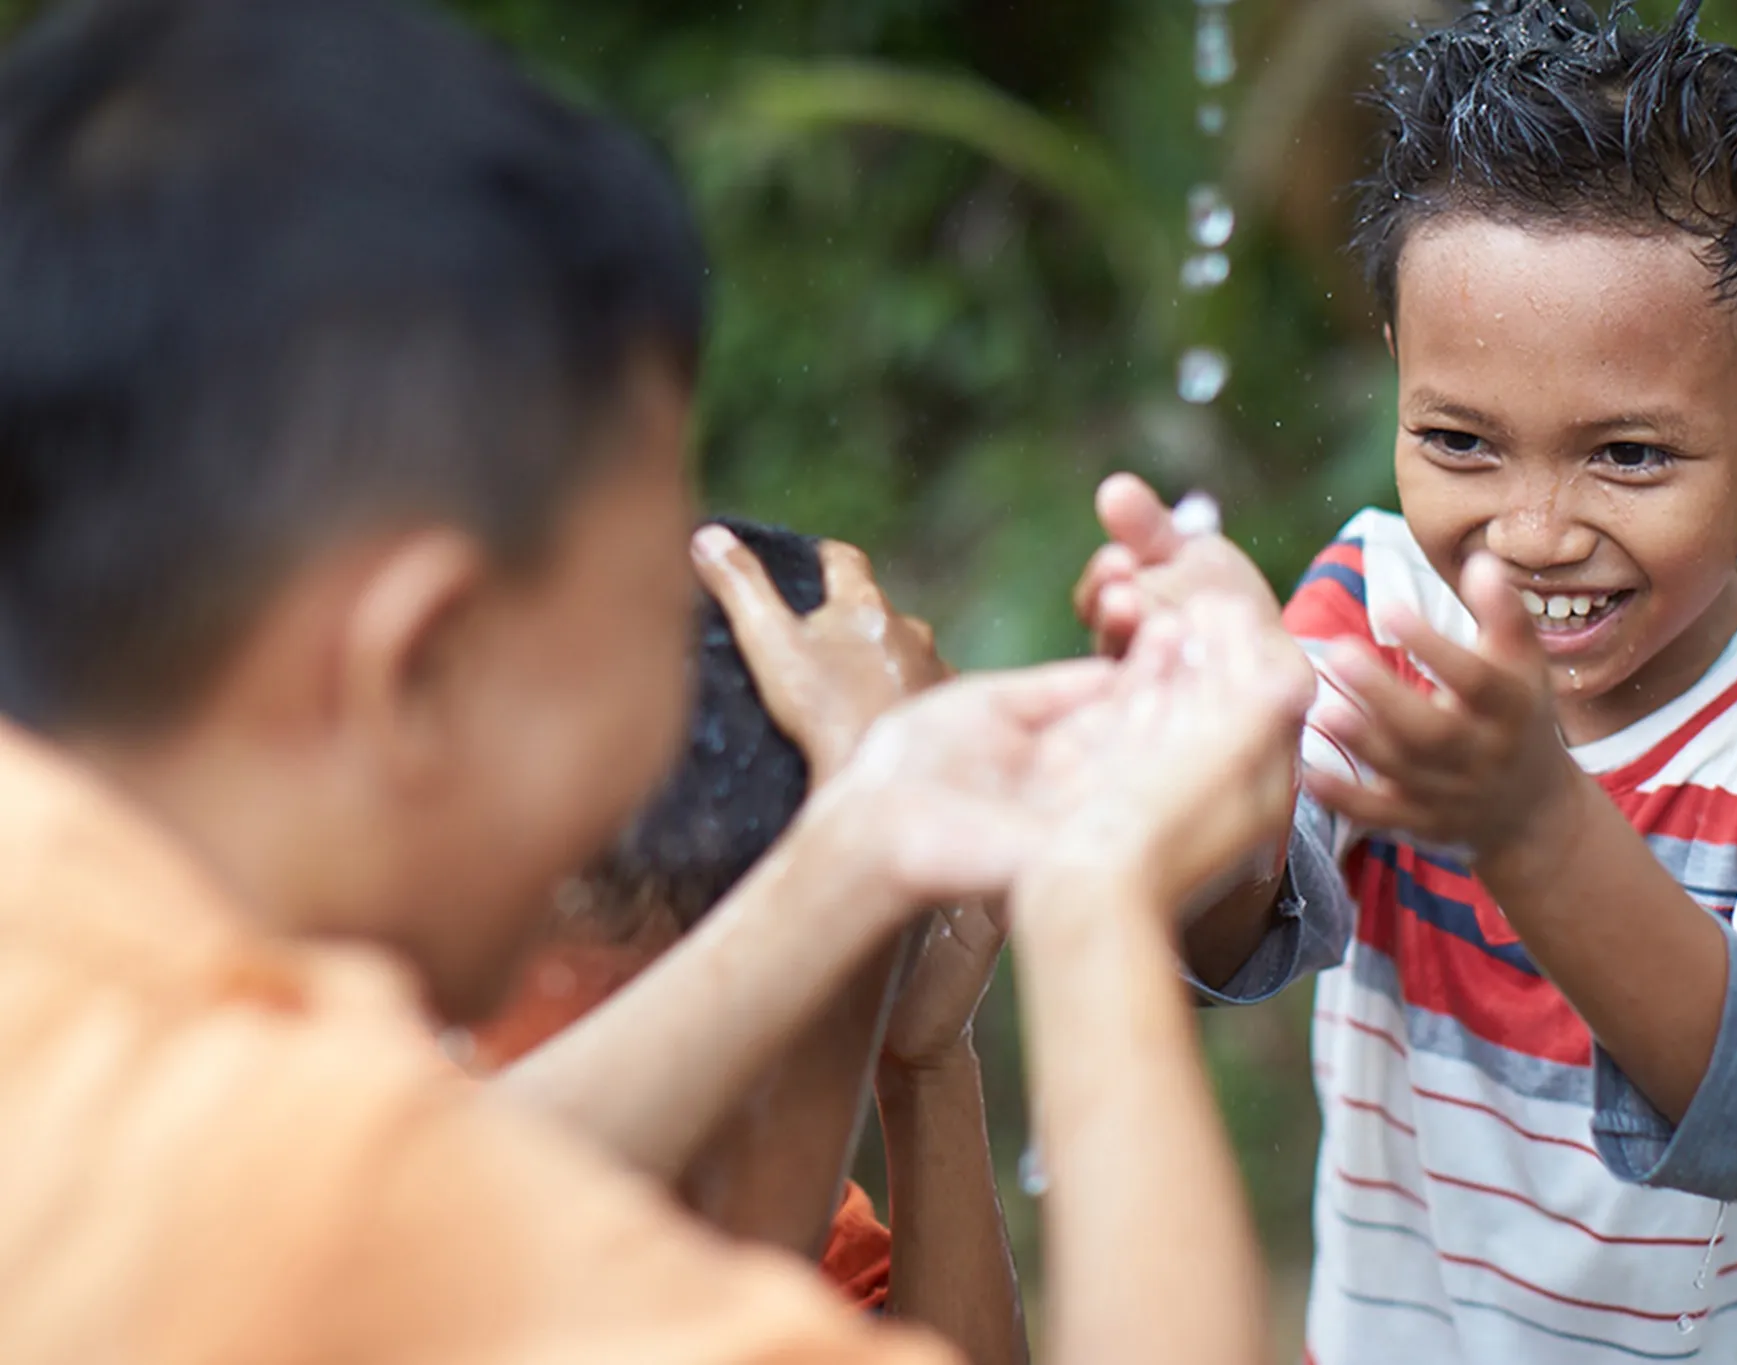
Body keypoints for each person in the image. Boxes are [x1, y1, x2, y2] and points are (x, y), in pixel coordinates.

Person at [0, 0, 1313, 1362]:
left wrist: (860, 847)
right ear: (417, 663)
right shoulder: (338, 1220)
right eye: (642, 610)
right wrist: (1094, 902)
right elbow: (402, 1214)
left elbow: (451, 1175)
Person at [1075, 1, 1737, 1361]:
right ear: (1399, 382)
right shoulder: (1377, 605)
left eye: (1631, 456)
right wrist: (1215, 740)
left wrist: (1532, 822)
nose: (1533, 531)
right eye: (1462, 440)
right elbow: (1224, 935)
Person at [468, 518, 1028, 1365]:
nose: (712, 1102)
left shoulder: (807, 1200)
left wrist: (926, 1066)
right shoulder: (345, 1094)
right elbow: (440, 1202)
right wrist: (858, 839)